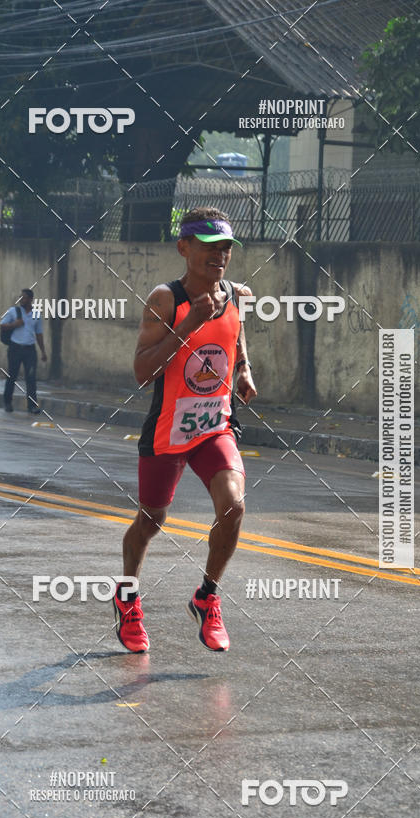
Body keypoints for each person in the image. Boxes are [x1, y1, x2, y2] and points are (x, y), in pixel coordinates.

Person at [114, 207, 257, 653]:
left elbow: (237, 337)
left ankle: (207, 597)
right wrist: (189, 323)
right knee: (150, 521)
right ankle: (127, 598)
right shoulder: (165, 301)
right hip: (168, 430)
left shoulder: (235, 294)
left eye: (226, 247)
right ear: (184, 248)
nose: (220, 255)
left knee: (233, 507)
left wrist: (244, 370)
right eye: (210, 247)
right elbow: (142, 372)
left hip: (215, 426)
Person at [0, 288, 47, 414]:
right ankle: (7, 402)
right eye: (20, 297)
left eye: (24, 298)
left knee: (31, 378)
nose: (21, 300)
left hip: (30, 350)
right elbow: (2, 325)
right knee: (12, 376)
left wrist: (43, 351)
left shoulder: (36, 314)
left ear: (31, 299)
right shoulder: (13, 311)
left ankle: (32, 406)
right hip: (15, 348)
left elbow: (39, 334)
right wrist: (14, 325)